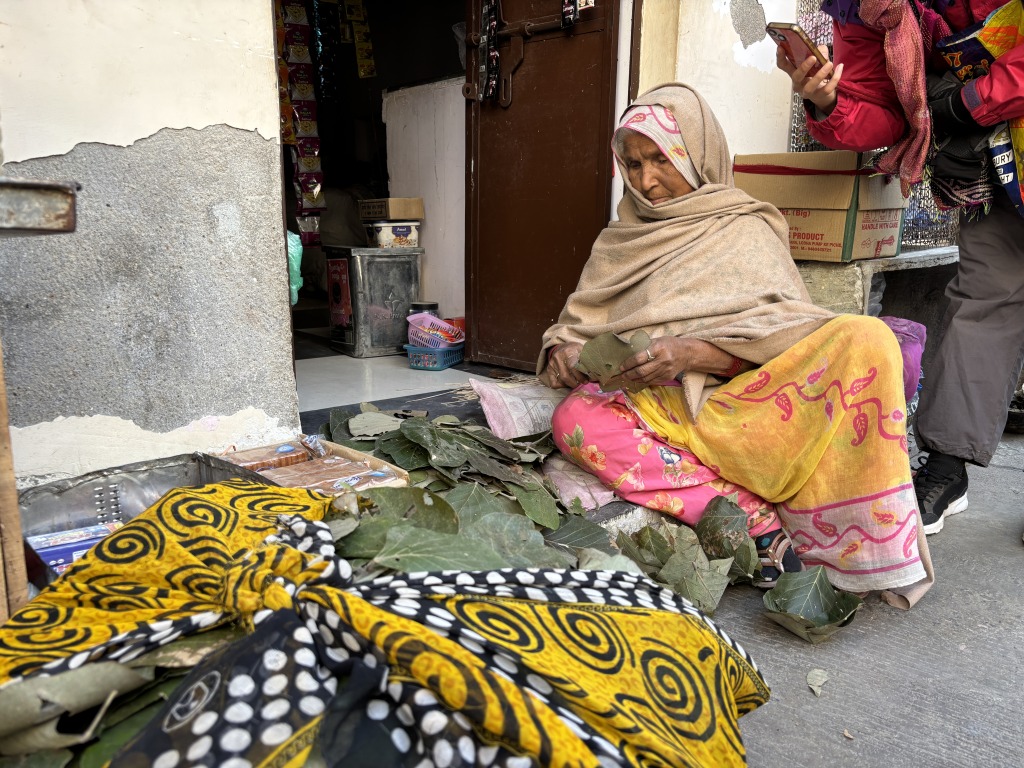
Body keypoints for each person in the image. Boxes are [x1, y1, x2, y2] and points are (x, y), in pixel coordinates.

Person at [538, 83, 933, 603]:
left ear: (698, 153)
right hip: (663, 406)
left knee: (866, 337)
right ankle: (754, 521)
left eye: (660, 159)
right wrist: (565, 355)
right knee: (574, 419)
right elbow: (575, 326)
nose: (646, 180)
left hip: (749, 401)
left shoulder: (745, 227)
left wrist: (698, 354)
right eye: (631, 164)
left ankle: (843, 533)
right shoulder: (622, 238)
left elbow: (788, 334)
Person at [776, 0, 1024, 537]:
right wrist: (828, 101)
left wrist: (963, 104)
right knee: (983, 300)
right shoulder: (871, 7)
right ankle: (945, 469)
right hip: (1002, 169)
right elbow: (885, 110)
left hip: (992, 121)